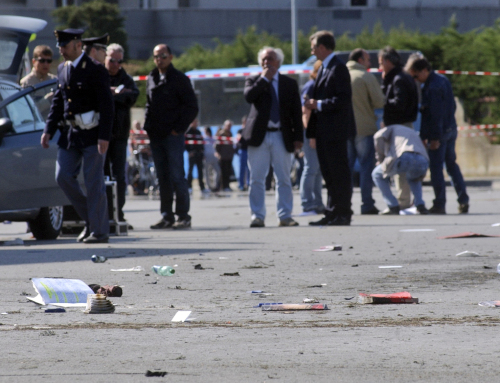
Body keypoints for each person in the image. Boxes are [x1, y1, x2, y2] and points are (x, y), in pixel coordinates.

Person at [41, 29, 114, 243]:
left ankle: (100, 232)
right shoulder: (63, 68)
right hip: (70, 134)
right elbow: (58, 102)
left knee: (94, 184)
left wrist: (104, 136)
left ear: (77, 45)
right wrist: (48, 130)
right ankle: (92, 220)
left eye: (64, 46)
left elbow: (107, 105)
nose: (61, 50)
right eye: (59, 46)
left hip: (93, 134)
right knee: (62, 177)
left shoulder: (95, 70)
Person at [243, 46, 303, 228]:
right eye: (263, 60)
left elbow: (295, 113)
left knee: (284, 178)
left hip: (281, 136)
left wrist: (298, 137)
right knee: (257, 179)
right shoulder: (253, 80)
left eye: (270, 59)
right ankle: (257, 216)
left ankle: (285, 216)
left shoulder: (289, 84)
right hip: (259, 137)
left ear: (278, 62)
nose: (266, 63)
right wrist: (264, 80)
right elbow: (249, 96)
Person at [305, 31, 356, 226]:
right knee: (329, 174)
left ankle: (343, 212)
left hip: (335, 131)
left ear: (323, 47)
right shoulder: (325, 68)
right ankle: (332, 212)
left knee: (339, 174)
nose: (312, 51)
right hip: (324, 131)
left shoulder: (338, 68)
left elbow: (343, 100)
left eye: (314, 47)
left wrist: (318, 104)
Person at [145, 44, 198, 230]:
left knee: (177, 176)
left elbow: (192, 106)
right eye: (156, 56)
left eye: (163, 56)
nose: (160, 59)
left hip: (172, 135)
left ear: (171, 57)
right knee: (162, 177)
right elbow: (148, 104)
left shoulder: (179, 79)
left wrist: (179, 128)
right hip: (156, 135)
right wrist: (147, 126)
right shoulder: (151, 77)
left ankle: (183, 216)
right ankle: (166, 216)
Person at [407, 57, 470, 214]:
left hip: (440, 132)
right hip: (450, 129)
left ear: (424, 71)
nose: (415, 80)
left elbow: (435, 115)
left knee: (436, 168)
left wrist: (434, 138)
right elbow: (451, 106)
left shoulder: (432, 87)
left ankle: (439, 204)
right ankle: (463, 199)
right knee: (451, 165)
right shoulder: (442, 80)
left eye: (416, 76)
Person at [378, 46, 419, 212]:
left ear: (388, 62)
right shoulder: (400, 77)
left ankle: (403, 202)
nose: (380, 67)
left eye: (381, 63)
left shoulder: (398, 79)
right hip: (402, 125)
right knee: (402, 165)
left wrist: (382, 101)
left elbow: (398, 103)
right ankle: (408, 201)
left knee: (399, 166)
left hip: (400, 126)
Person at [346, 48, 386, 215]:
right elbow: (379, 102)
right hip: (364, 128)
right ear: (361, 60)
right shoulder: (366, 77)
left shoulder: (341, 75)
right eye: (368, 60)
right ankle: (366, 203)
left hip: (344, 129)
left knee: (346, 169)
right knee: (365, 167)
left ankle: (344, 204)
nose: (370, 64)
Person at [104, 43, 139, 223]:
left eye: (119, 61)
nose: (115, 64)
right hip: (101, 134)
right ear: (105, 58)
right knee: (102, 175)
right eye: (112, 60)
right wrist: (116, 95)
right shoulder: (99, 76)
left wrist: (115, 95)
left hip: (119, 135)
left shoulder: (126, 78)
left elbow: (133, 96)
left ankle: (118, 213)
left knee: (118, 176)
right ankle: (104, 214)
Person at [372, 124, 430, 215]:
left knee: (376, 174)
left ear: (383, 125)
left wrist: (381, 159)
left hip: (404, 157)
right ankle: (420, 205)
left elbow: (378, 136)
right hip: (422, 159)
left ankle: (393, 205)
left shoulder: (389, 128)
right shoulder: (410, 130)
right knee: (415, 178)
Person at [299, 59, 325, 215]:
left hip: (316, 132)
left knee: (316, 170)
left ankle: (317, 203)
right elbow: (306, 112)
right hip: (311, 132)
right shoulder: (311, 86)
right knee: (311, 168)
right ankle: (307, 203)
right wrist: (311, 135)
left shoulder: (316, 85)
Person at [20, 45, 57, 119]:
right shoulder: (26, 83)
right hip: (37, 126)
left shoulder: (55, 80)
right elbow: (27, 110)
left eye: (49, 61)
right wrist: (48, 99)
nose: (45, 64)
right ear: (34, 61)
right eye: (42, 61)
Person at [185, 118, 206, 193]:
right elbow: (185, 143)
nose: (196, 124)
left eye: (196, 122)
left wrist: (202, 153)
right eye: (194, 122)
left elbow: (201, 143)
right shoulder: (188, 132)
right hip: (192, 154)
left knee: (200, 171)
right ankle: (189, 186)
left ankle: (202, 187)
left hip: (199, 154)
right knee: (190, 171)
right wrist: (189, 151)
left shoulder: (198, 132)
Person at [215, 120, 235, 191]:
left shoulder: (230, 133)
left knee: (228, 172)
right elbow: (217, 145)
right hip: (223, 156)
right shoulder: (221, 134)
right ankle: (222, 187)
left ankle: (227, 186)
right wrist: (218, 153)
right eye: (228, 125)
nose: (229, 127)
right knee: (222, 172)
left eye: (230, 126)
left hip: (229, 156)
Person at [236, 115, 250, 191]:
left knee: (249, 168)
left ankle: (248, 183)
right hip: (242, 150)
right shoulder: (240, 130)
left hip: (249, 150)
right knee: (242, 168)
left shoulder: (250, 129)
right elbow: (239, 138)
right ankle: (241, 184)